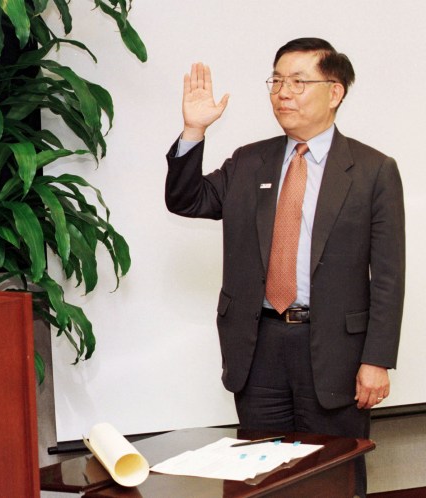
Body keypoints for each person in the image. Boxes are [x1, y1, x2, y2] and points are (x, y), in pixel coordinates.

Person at [164, 38, 405, 497]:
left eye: (298, 81)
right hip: (259, 348)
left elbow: (390, 276)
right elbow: (186, 199)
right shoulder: (250, 159)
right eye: (276, 80)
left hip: (337, 352)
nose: (283, 92)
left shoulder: (374, 170)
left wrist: (377, 360)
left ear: (335, 92)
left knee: (333, 477)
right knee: (260, 478)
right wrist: (193, 133)